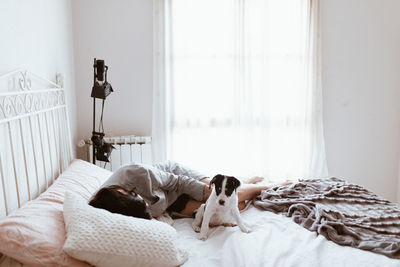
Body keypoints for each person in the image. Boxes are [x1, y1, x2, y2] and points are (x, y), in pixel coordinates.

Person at [89, 161, 290, 220]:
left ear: (125, 191)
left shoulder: (136, 173)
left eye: (138, 196)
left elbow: (178, 182)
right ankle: (246, 181)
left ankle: (270, 184)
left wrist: (207, 193)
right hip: (168, 203)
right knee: (235, 206)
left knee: (221, 195)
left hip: (176, 181)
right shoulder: (109, 207)